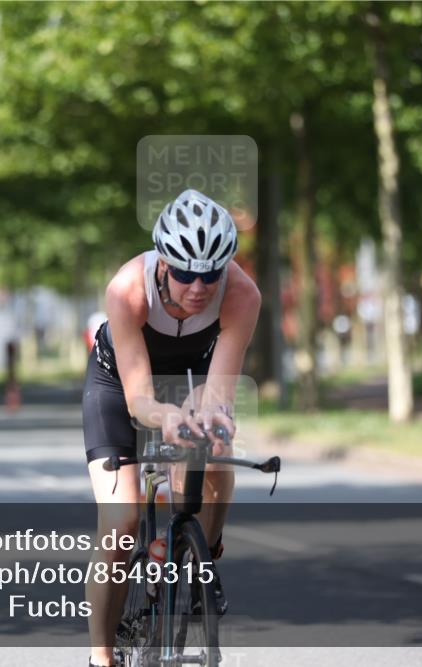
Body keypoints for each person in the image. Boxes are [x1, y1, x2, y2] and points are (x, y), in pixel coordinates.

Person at [82, 189, 261, 667]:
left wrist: (211, 417)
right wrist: (165, 417)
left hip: (191, 375)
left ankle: (200, 554)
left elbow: (218, 391)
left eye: (210, 274)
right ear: (162, 263)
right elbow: (140, 398)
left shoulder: (243, 295)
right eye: (184, 273)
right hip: (120, 383)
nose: (198, 287)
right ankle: (101, 657)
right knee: (120, 527)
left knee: (215, 444)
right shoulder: (127, 289)